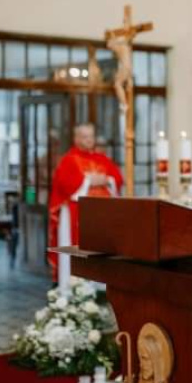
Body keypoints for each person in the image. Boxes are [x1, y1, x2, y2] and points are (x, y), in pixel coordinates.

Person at [48, 123, 123, 288]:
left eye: (91, 136)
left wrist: (107, 180)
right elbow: (65, 185)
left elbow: (117, 178)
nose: (89, 140)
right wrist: (89, 181)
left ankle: (101, 289)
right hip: (77, 215)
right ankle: (74, 289)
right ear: (76, 138)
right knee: (79, 253)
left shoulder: (102, 158)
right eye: (85, 136)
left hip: (102, 217)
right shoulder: (69, 160)